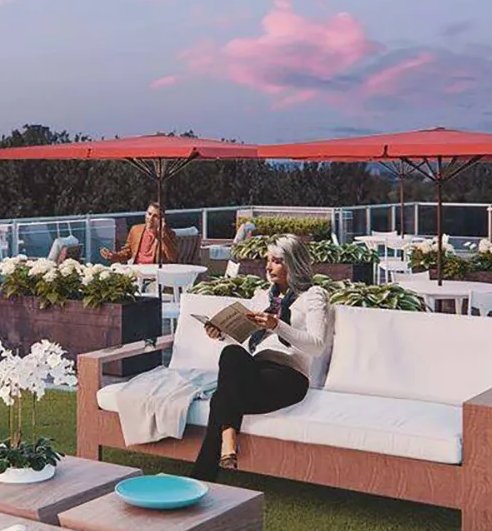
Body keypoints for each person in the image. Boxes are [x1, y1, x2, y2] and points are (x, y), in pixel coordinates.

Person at [193, 234, 332, 480]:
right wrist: (221, 334)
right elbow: (244, 343)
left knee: (221, 398)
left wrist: (277, 325)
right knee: (231, 352)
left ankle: (217, 453)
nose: (268, 267)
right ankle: (223, 447)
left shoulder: (312, 295)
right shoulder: (261, 297)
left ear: (293, 263)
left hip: (289, 377)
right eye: (268, 261)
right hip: (256, 372)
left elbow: (317, 346)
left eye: (276, 261)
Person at [103, 201, 175, 265]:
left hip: (155, 271)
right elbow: (127, 253)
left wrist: (163, 236)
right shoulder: (136, 230)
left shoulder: (168, 234)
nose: (151, 218)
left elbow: (173, 258)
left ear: (161, 219)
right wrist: (113, 256)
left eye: (155, 216)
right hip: (137, 269)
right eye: (149, 214)